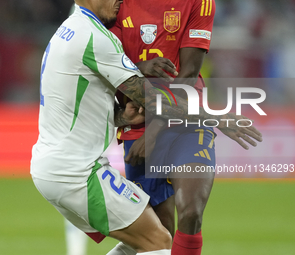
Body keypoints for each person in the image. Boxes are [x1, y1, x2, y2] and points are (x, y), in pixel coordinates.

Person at [110, 1, 263, 255]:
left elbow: (189, 73)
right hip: (138, 118)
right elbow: (111, 68)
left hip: (186, 118)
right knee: (160, 233)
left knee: (191, 212)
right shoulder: (117, 4)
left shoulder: (200, 2)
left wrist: (156, 129)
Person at [30, 0, 174, 254]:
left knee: (142, 240)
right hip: (76, 171)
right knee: (158, 241)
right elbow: (146, 96)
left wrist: (122, 118)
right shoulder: (93, 36)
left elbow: (76, 103)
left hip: (56, 165)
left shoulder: (68, 30)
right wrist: (212, 116)